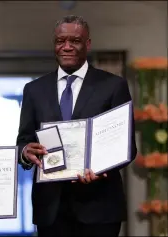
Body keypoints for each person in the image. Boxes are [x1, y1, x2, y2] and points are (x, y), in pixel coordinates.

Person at [16, 15, 137, 237]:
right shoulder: (34, 90)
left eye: (75, 41)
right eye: (61, 41)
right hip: (50, 209)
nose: (67, 47)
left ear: (88, 44)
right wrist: (25, 152)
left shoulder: (113, 86)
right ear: (54, 44)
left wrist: (102, 168)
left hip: (99, 207)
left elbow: (128, 147)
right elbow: (22, 142)